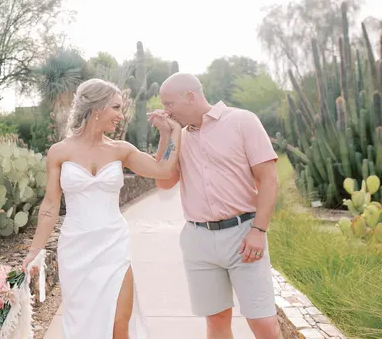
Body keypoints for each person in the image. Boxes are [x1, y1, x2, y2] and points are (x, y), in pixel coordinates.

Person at [22, 78, 182, 339]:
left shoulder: (121, 150)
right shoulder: (59, 152)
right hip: (76, 248)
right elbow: (50, 205)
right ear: (96, 108)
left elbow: (163, 170)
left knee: (120, 323)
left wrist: (170, 133)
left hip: (114, 245)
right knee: (83, 326)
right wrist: (34, 251)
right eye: (116, 107)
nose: (121, 115)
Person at [148, 72, 283, 339]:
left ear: (190, 97)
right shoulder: (179, 136)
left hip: (243, 235)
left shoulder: (243, 121)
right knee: (216, 321)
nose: (166, 111)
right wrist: (166, 134)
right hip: (198, 239)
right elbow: (163, 182)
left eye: (169, 104)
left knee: (264, 323)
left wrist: (259, 230)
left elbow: (268, 179)